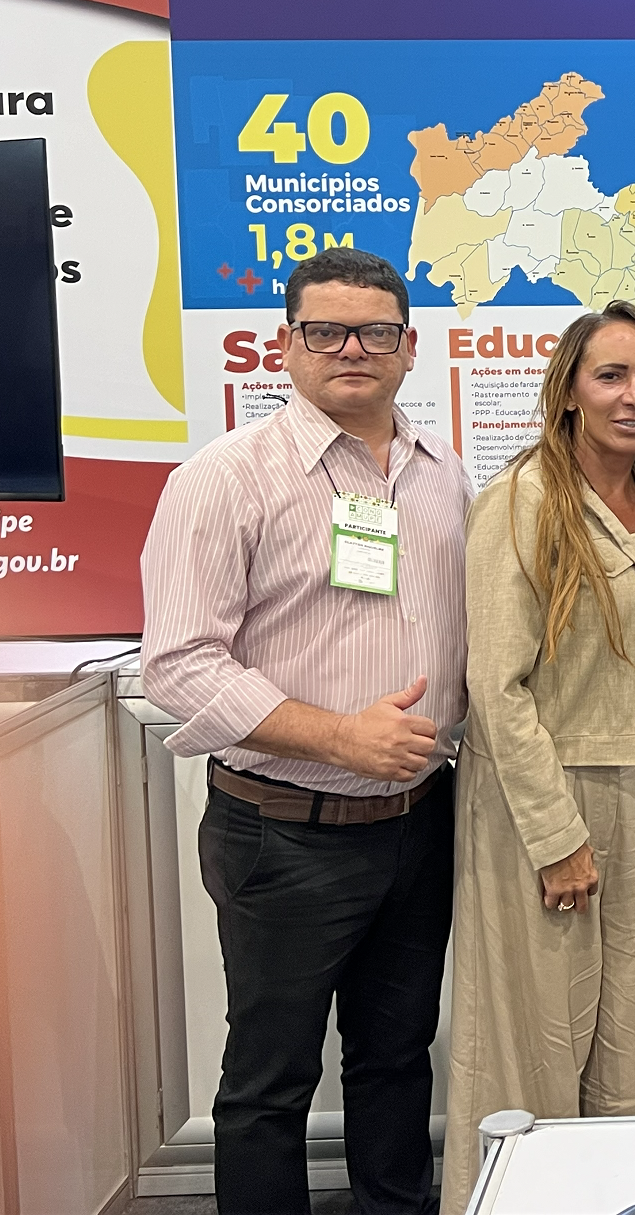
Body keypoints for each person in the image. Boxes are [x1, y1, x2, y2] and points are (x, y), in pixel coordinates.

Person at [141, 248, 470, 1215]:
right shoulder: (225, 479)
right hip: (285, 832)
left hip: (420, 822)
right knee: (270, 1080)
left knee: (398, 1057)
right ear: (285, 346)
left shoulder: (444, 475)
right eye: (326, 331)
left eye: (375, 332)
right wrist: (337, 739)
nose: (351, 349)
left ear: (409, 348)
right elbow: (178, 663)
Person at [441, 301, 635, 1211]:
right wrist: (556, 836)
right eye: (611, 376)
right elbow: (496, 686)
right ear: (567, 391)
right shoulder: (521, 501)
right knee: (531, 1048)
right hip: (546, 801)